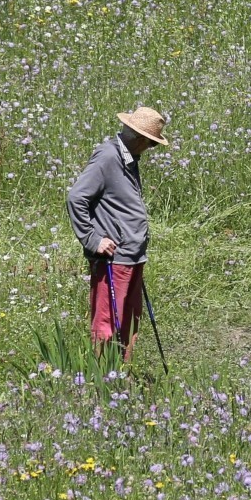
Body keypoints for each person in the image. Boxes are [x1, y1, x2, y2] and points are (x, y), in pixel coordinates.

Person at [67, 107, 168, 359]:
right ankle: (102, 380)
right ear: (141, 139)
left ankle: (123, 375)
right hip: (114, 258)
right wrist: (93, 240)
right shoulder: (108, 156)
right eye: (151, 144)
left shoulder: (129, 158)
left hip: (133, 255)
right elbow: (76, 198)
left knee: (129, 320)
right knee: (107, 323)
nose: (150, 149)